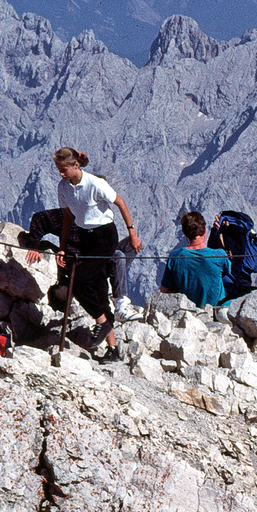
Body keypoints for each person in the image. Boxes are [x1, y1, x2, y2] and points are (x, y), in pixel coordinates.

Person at [53, 147, 141, 361]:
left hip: (104, 235)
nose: (61, 174)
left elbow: (120, 202)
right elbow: (67, 217)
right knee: (98, 286)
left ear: (76, 165)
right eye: (58, 170)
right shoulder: (64, 187)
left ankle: (102, 322)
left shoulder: (95, 183)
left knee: (80, 281)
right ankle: (113, 349)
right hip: (86, 237)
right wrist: (62, 246)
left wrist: (132, 232)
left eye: (64, 169)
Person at [161, 210, 231, 306]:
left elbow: (164, 289)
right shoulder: (219, 255)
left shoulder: (175, 256)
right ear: (205, 229)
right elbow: (231, 272)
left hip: (189, 312)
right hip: (216, 312)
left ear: (185, 234)